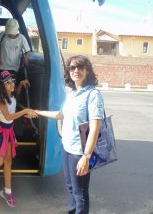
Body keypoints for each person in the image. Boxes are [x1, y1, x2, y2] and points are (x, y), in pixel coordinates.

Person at [36, 55, 105, 214]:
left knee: (80, 193)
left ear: (87, 71)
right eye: (72, 68)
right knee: (70, 187)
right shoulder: (72, 94)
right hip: (68, 149)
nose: (76, 71)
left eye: (80, 67)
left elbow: (95, 128)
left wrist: (86, 157)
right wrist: (37, 112)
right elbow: (61, 115)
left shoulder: (92, 95)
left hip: (79, 153)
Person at [0, 70, 37, 208]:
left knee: (8, 161)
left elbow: (16, 96)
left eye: (12, 81)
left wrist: (21, 84)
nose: (11, 84)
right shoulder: (0, 99)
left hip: (8, 130)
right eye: (7, 82)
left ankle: (7, 191)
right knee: (0, 162)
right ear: (2, 85)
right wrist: (25, 112)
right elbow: (8, 117)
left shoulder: (11, 94)